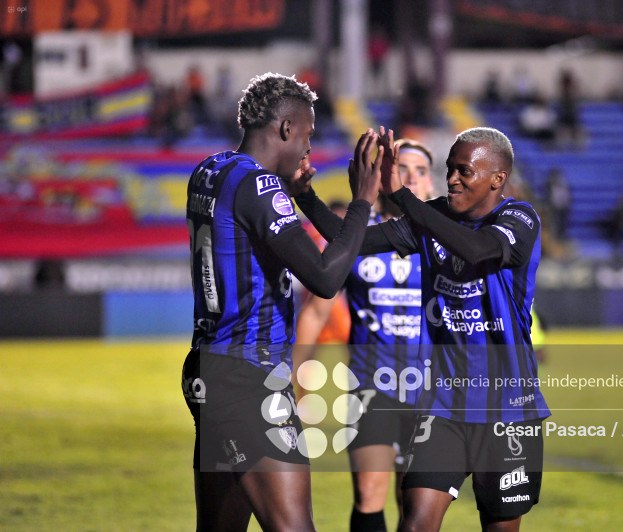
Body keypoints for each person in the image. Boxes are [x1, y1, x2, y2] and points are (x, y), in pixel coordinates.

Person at [296, 126, 550, 532]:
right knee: (414, 523)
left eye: (464, 171)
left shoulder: (519, 218)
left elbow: (479, 251)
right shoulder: (433, 217)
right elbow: (351, 241)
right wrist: (304, 195)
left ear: (496, 179)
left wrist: (403, 197)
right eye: (450, 169)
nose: (452, 178)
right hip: (444, 404)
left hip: (507, 407)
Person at [182, 72, 382, 532]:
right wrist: (363, 202)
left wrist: (295, 193)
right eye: (308, 135)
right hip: (249, 376)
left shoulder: (210, 170)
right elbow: (326, 278)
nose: (309, 149)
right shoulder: (260, 187)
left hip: (208, 369)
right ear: (286, 129)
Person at [294, 139, 435, 532]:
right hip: (372, 386)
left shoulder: (445, 238)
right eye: (400, 167)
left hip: (432, 388)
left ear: (431, 183)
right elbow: (316, 310)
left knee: (416, 500)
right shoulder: (356, 236)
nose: (410, 176)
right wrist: (292, 377)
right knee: (369, 491)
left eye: (420, 171)